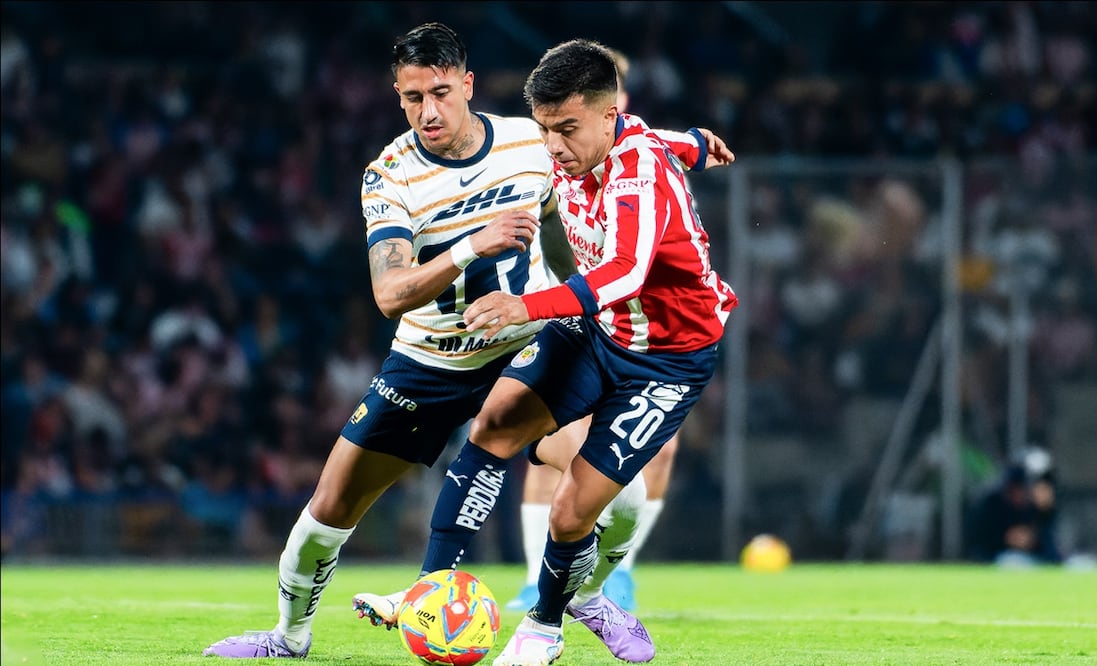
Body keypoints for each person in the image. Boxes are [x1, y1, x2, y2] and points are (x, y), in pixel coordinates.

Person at [202, 23, 730, 660]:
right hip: (430, 359)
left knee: (617, 493)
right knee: (329, 506)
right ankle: (289, 638)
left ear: (468, 85)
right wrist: (469, 246)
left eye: (441, 92)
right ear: (397, 96)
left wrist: (695, 144)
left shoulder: (528, 139)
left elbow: (623, 137)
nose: (428, 111)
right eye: (411, 97)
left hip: (529, 332)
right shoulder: (389, 177)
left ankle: (571, 593)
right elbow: (391, 294)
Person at [357, 38, 736, 666]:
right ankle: (432, 591)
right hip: (600, 332)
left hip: (666, 359)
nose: (553, 148)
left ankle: (547, 625)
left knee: (569, 515)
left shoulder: (636, 177)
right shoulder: (588, 142)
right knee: (494, 425)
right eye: (544, 129)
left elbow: (622, 274)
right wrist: (699, 141)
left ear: (605, 117)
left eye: (566, 130)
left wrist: (523, 307)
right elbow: (662, 138)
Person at [506, 46, 681, 613]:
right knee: (557, 439)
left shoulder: (636, 159)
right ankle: (539, 577)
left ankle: (616, 573)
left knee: (658, 447)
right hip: (563, 309)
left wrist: (700, 145)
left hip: (626, 321)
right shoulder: (554, 153)